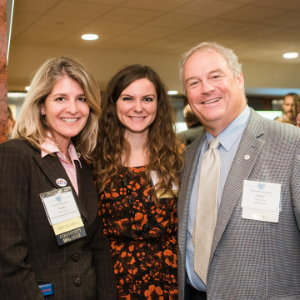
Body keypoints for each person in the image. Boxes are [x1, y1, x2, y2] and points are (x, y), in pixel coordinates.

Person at [177, 42, 300, 300]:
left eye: (215, 76)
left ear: (239, 79)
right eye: (194, 82)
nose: (206, 88)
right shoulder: (186, 157)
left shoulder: (292, 144)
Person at [0, 56, 117, 300]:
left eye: (81, 99)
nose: (73, 109)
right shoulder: (16, 156)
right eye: (60, 98)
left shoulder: (85, 163)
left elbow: (97, 245)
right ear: (42, 106)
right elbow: (7, 256)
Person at [93, 64, 184, 299]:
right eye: (127, 98)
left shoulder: (178, 157)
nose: (138, 108)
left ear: (158, 105)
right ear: (114, 103)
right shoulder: (93, 160)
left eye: (147, 99)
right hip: (112, 277)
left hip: (168, 276)